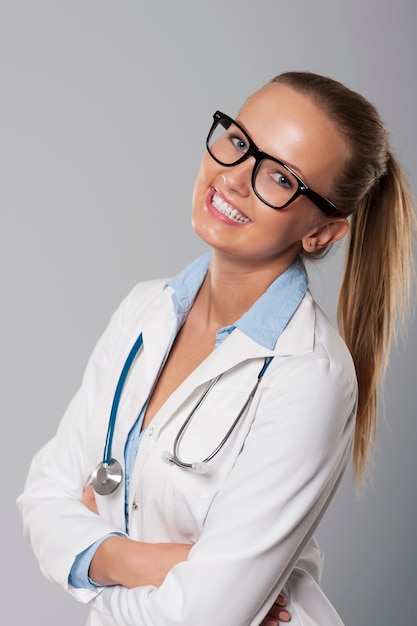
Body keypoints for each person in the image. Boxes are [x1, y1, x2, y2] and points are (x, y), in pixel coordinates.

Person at [17, 71, 415, 626]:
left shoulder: (310, 375)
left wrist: (89, 556)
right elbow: (41, 501)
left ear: (321, 233)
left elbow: (202, 616)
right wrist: (154, 562)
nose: (233, 179)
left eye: (279, 177)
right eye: (238, 141)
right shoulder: (144, 309)